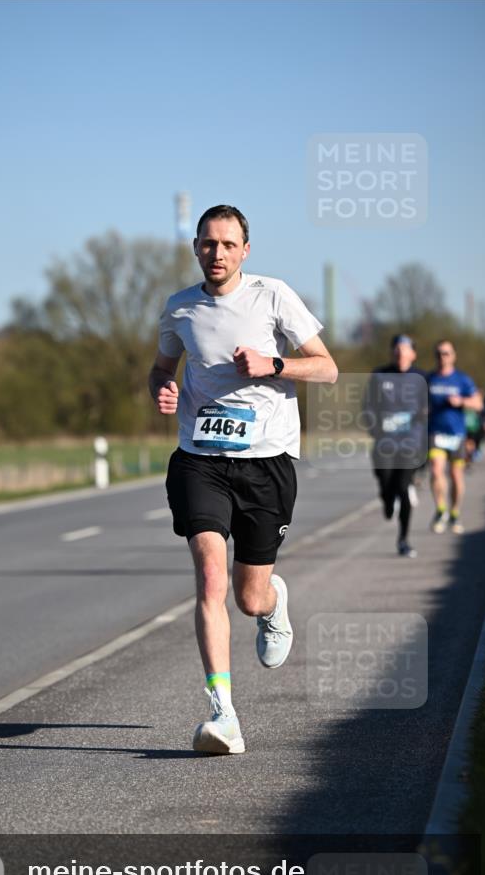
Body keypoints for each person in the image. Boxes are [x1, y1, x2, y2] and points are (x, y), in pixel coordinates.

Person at [148, 204, 337, 755]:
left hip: (266, 464)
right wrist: (160, 387)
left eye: (228, 244)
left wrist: (274, 366)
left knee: (247, 597)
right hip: (199, 458)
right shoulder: (180, 308)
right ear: (196, 248)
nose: (217, 253)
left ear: (245, 250)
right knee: (210, 575)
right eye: (208, 243)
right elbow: (162, 367)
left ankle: (272, 603)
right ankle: (223, 714)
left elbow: (326, 366)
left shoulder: (273, 295)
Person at [364, 334, 428, 558]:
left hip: (411, 444)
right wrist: (374, 426)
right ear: (392, 353)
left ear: (413, 353)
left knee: (404, 488)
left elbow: (431, 406)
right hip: (384, 443)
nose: (400, 354)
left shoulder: (422, 377)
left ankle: (403, 539)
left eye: (405, 349)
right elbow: (368, 405)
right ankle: (387, 501)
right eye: (397, 350)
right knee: (385, 483)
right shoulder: (380, 375)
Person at [426, 341, 483, 533]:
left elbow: (478, 403)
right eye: (439, 353)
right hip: (436, 433)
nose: (443, 357)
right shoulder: (430, 379)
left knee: (456, 476)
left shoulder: (462, 379)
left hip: (457, 434)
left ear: (453, 356)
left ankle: (455, 512)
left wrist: (462, 401)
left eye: (446, 353)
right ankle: (441, 510)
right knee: (436, 470)